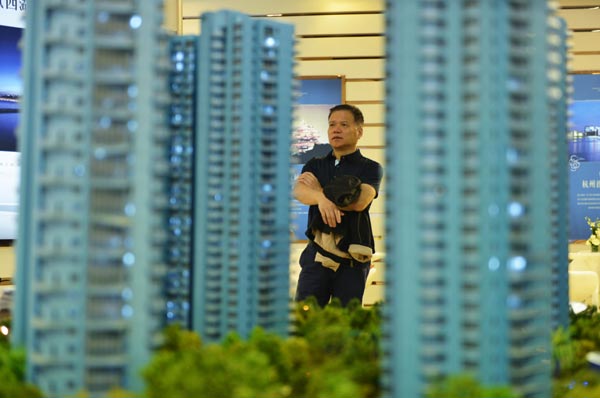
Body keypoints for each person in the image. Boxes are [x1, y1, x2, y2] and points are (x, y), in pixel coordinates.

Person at [294, 104, 383, 307]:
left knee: (346, 323)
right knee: (305, 320)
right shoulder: (314, 164)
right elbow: (299, 192)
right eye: (332, 124)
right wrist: (322, 198)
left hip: (353, 260)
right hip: (316, 257)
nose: (336, 129)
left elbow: (360, 202)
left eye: (343, 124)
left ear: (359, 131)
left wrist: (318, 191)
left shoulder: (371, 168)